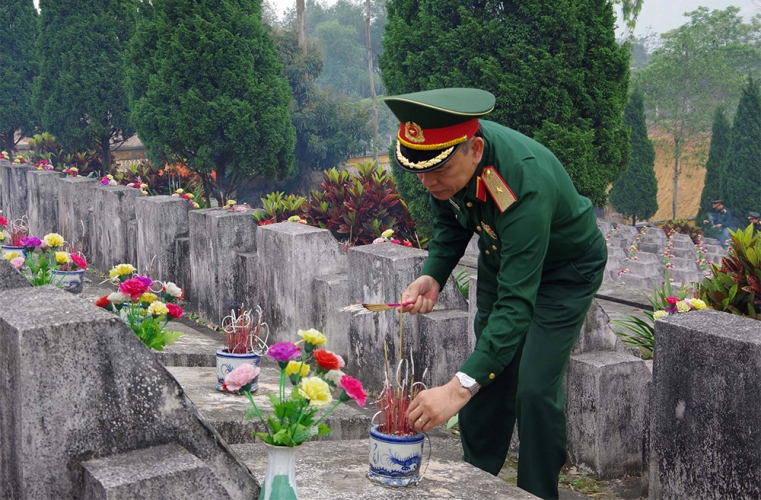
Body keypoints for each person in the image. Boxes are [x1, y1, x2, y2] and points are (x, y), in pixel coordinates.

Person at [385, 88, 607, 499]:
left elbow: (516, 304)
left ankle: (537, 491)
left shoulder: (521, 183)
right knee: (488, 374)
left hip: (566, 271)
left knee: (535, 387)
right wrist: (433, 274)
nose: (428, 181)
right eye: (420, 172)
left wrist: (453, 391)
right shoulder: (445, 166)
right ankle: (477, 481)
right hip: (502, 255)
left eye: (438, 171)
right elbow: (451, 220)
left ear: (476, 148)